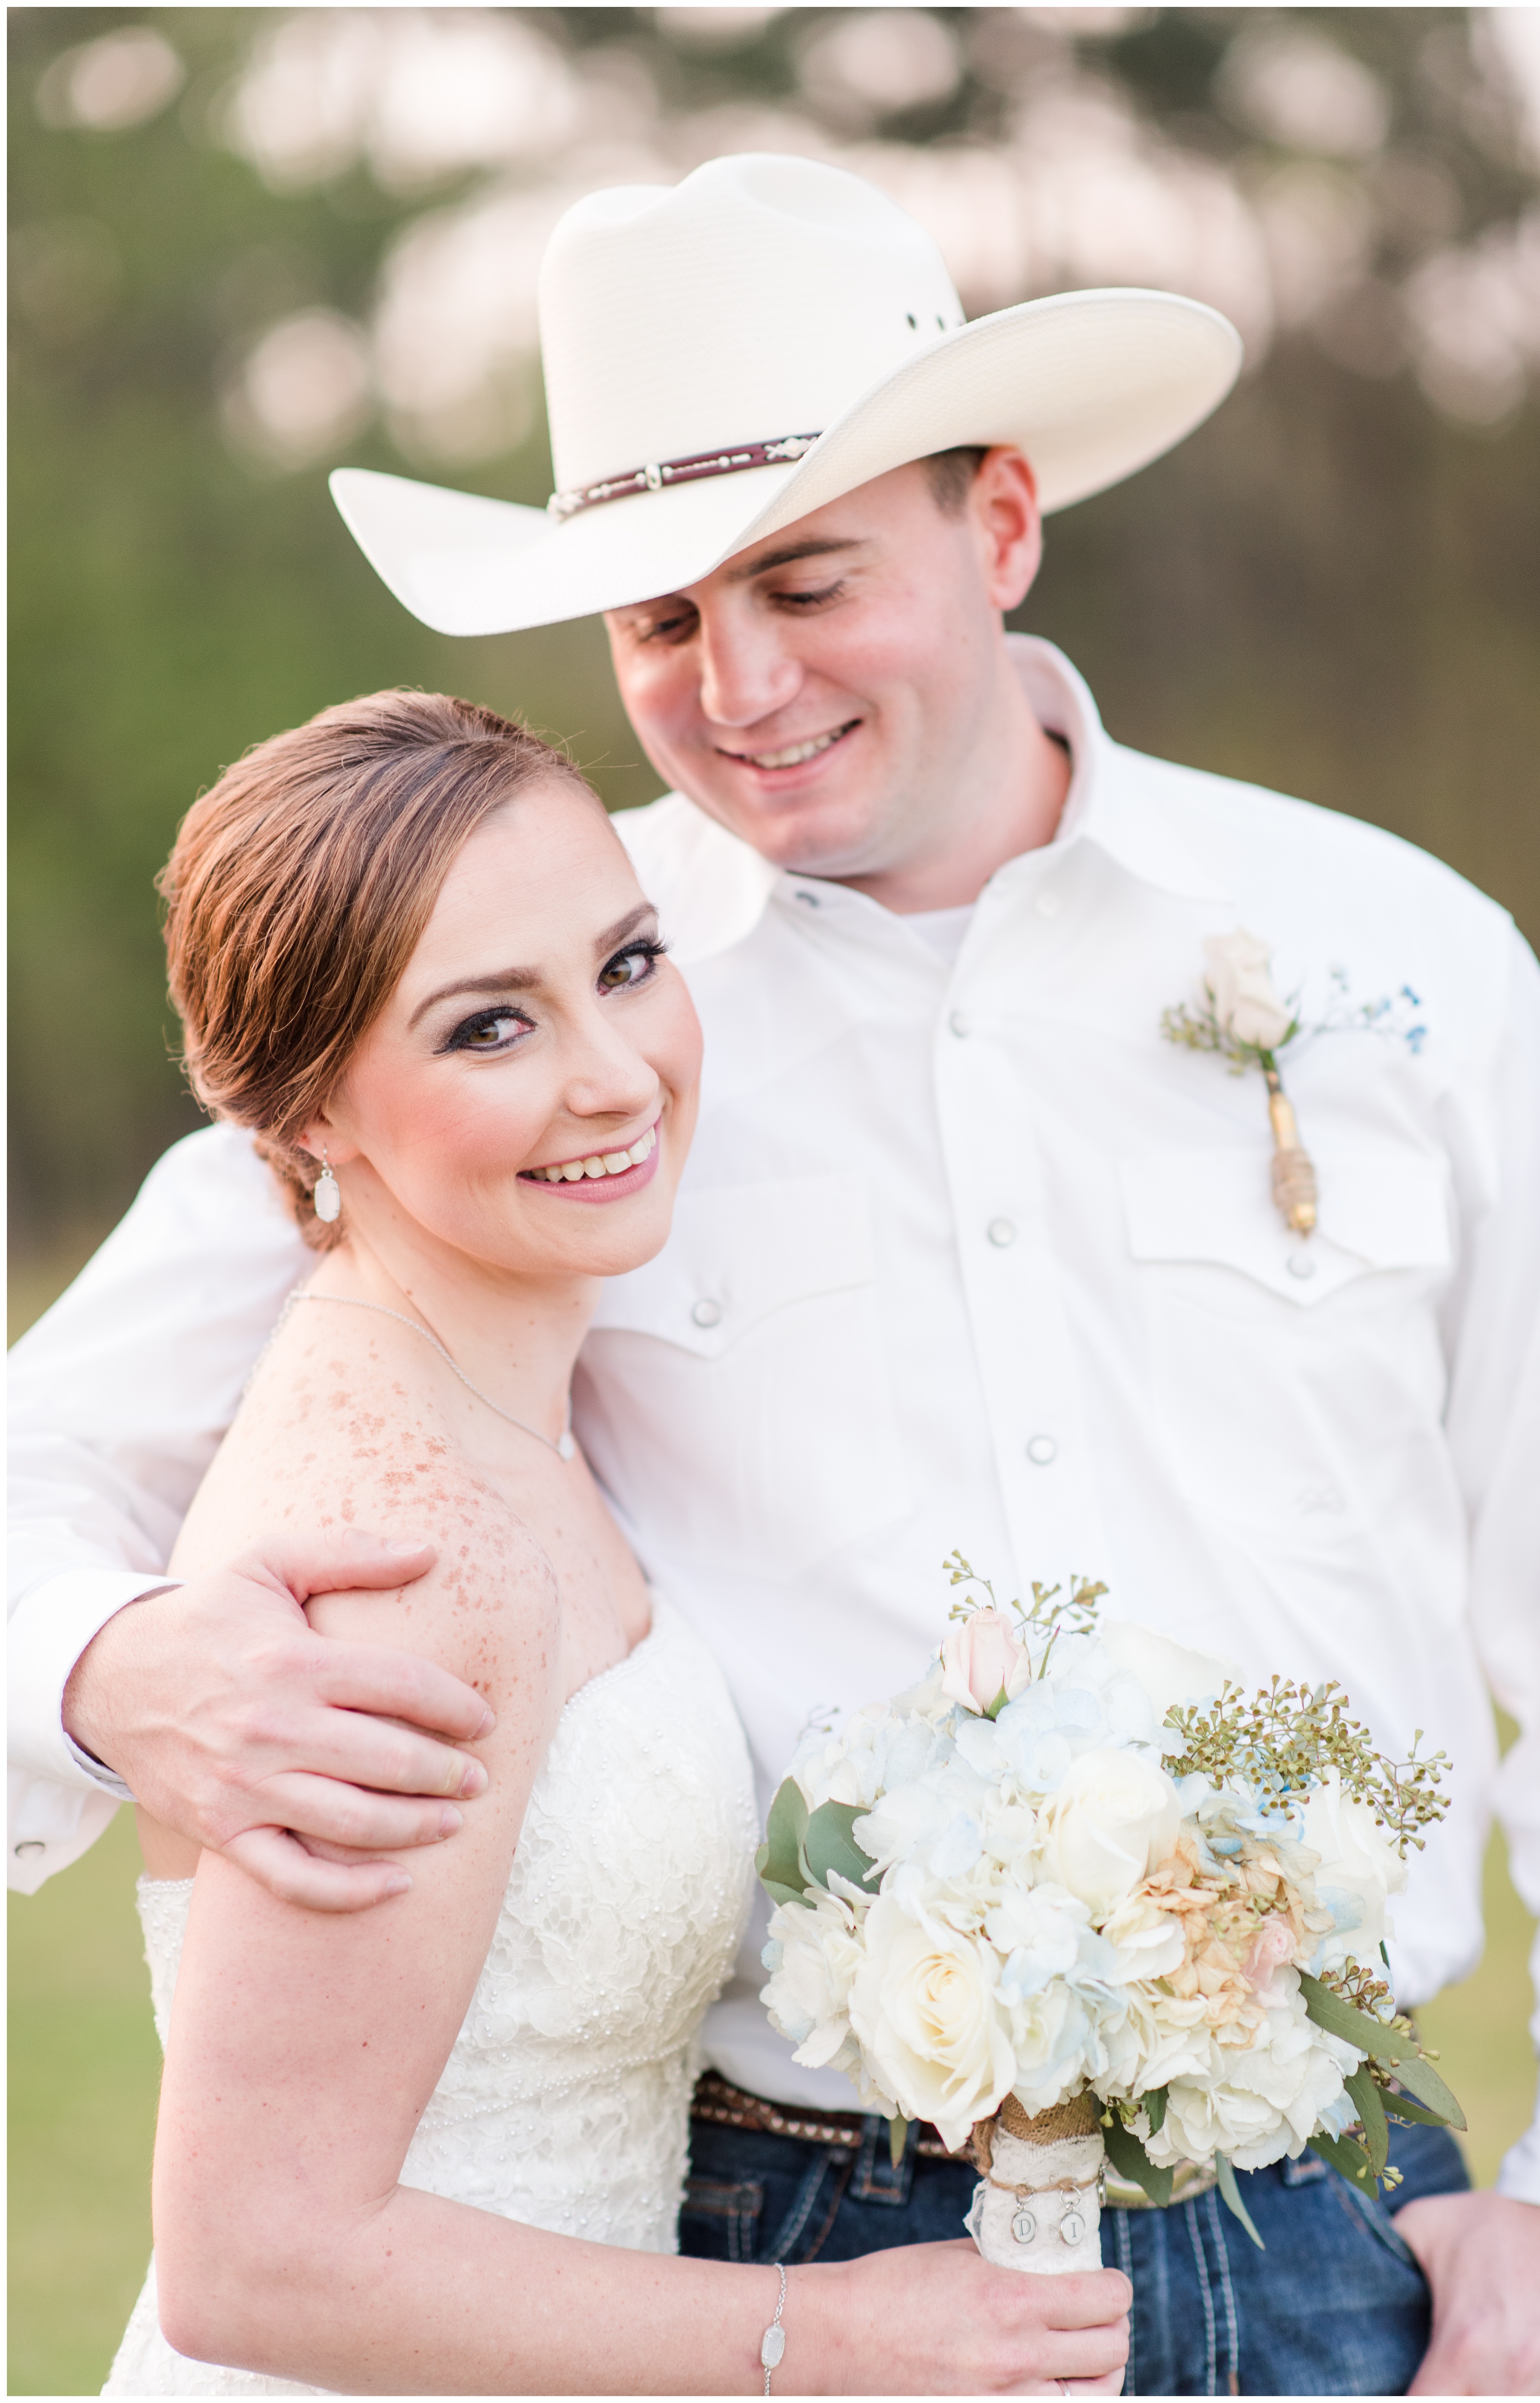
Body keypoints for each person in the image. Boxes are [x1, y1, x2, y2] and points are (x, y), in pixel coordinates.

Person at [11, 154, 1540, 2397]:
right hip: (779, 2235)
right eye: (657, 619)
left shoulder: (1395, 961)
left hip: (1358, 2235)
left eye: (805, 579)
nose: (736, 684)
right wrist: (108, 1665)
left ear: (1004, 524)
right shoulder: (545, 999)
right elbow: (40, 1454)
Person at [94, 686, 1128, 2397]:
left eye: (628, 962)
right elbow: (255, 2253)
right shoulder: (396, 1550)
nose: (613, 1072)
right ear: (307, 1117)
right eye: (488, 1028)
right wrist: (824, 2334)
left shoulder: (500, 1417)